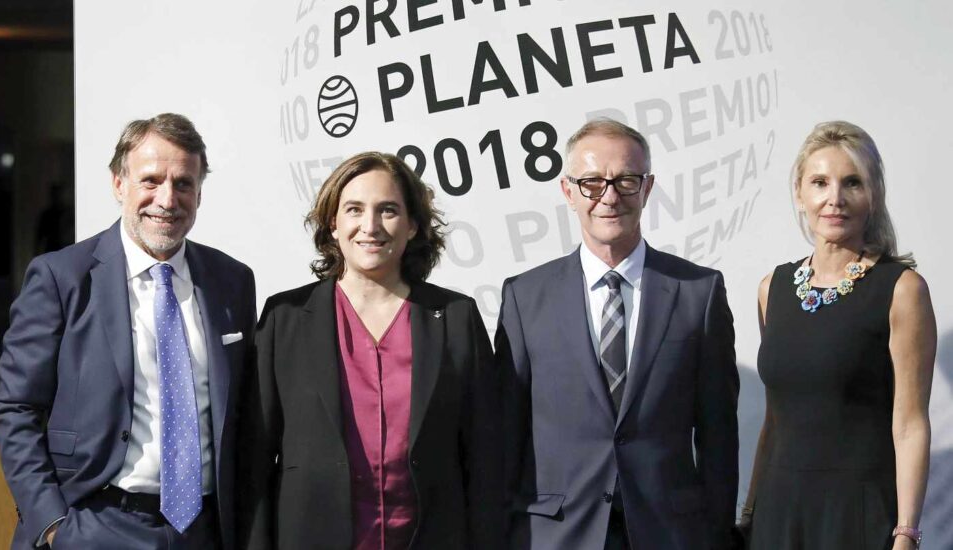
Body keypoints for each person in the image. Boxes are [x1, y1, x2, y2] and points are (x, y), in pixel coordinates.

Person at [0, 113, 256, 549]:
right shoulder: (62, 278)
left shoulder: (232, 281)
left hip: (205, 531)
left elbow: (243, 412)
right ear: (119, 184)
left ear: (200, 193)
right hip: (94, 525)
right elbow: (15, 407)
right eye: (150, 180)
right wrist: (53, 524)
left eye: (183, 183)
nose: (167, 199)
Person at [237, 152, 502, 550]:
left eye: (388, 210)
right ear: (333, 222)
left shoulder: (455, 317)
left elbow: (485, 455)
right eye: (354, 209)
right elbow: (254, 460)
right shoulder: (284, 318)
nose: (370, 226)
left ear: (413, 225)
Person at [496, 118, 739, 550]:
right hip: (557, 534)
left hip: (670, 533)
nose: (609, 197)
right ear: (568, 191)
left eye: (625, 180)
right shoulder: (524, 297)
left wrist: (716, 533)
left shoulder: (699, 292)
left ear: (646, 188)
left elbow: (718, 433)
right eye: (591, 182)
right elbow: (504, 434)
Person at [743, 121, 935, 550]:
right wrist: (751, 510)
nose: (834, 199)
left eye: (852, 183)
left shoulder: (901, 290)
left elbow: (910, 426)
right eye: (819, 182)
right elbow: (775, 418)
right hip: (778, 512)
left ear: (874, 195)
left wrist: (906, 533)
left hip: (857, 514)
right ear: (799, 192)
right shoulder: (771, 288)